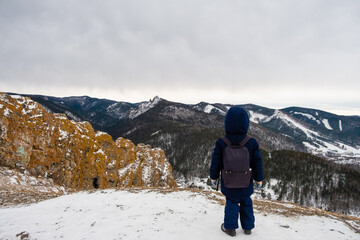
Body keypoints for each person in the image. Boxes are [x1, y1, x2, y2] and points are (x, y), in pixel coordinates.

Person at [210, 106, 263, 237]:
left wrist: (213, 177)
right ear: (246, 123)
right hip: (246, 181)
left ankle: (230, 228)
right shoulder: (251, 142)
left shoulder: (222, 142)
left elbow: (215, 162)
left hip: (229, 182)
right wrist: (259, 178)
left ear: (227, 123)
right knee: (246, 202)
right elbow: (257, 162)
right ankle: (248, 227)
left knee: (231, 203)